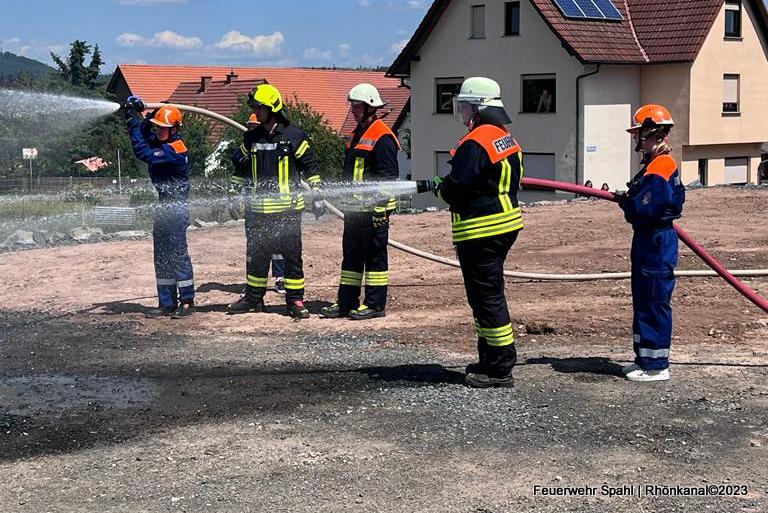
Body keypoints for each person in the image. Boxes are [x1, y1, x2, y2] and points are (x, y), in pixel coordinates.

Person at [418, 77, 523, 388]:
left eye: (465, 107)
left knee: (486, 298)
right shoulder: (504, 137)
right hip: (503, 225)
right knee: (485, 296)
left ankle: (500, 368)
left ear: (479, 108)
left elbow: (458, 187)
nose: (462, 113)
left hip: (481, 230)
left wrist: (443, 187)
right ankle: (489, 359)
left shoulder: (475, 142)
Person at [226, 84, 321, 319]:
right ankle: (253, 299)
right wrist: (233, 194)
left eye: (260, 108)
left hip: (288, 210)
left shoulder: (294, 136)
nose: (256, 112)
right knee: (257, 256)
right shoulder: (251, 137)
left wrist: (318, 194)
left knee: (292, 256)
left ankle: (295, 300)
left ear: (273, 109)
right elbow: (240, 169)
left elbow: (310, 167)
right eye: (255, 108)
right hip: (258, 210)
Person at [321, 84, 400, 321]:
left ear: (370, 107)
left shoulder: (383, 136)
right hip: (354, 210)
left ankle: (375, 304)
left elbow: (388, 178)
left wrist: (380, 208)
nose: (353, 110)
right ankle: (346, 302)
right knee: (351, 258)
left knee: (375, 258)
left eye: (357, 106)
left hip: (374, 212)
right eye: (352, 106)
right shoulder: (357, 134)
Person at [618, 104, 685, 382]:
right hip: (650, 238)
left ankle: (656, 366)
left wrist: (629, 203)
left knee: (654, 300)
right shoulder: (655, 165)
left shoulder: (660, 166)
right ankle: (644, 359)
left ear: (651, 134)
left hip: (656, 240)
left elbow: (644, 210)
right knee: (644, 298)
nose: (637, 140)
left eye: (639, 135)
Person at [122, 97, 195, 318]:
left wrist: (133, 122)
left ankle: (187, 302)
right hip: (163, 205)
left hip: (176, 207)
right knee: (162, 254)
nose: (159, 131)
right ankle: (166, 303)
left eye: (163, 128)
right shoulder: (163, 141)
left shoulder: (174, 150)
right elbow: (145, 135)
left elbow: (142, 151)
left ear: (174, 129)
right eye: (158, 127)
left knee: (178, 254)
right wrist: (147, 115)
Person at [231, 114, 286, 296]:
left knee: (277, 242)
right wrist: (234, 196)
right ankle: (252, 282)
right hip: (253, 204)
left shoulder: (273, 147)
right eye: (250, 126)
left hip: (274, 203)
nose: (252, 129)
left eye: (255, 126)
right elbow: (238, 170)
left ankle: (280, 277)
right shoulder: (248, 148)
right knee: (253, 245)